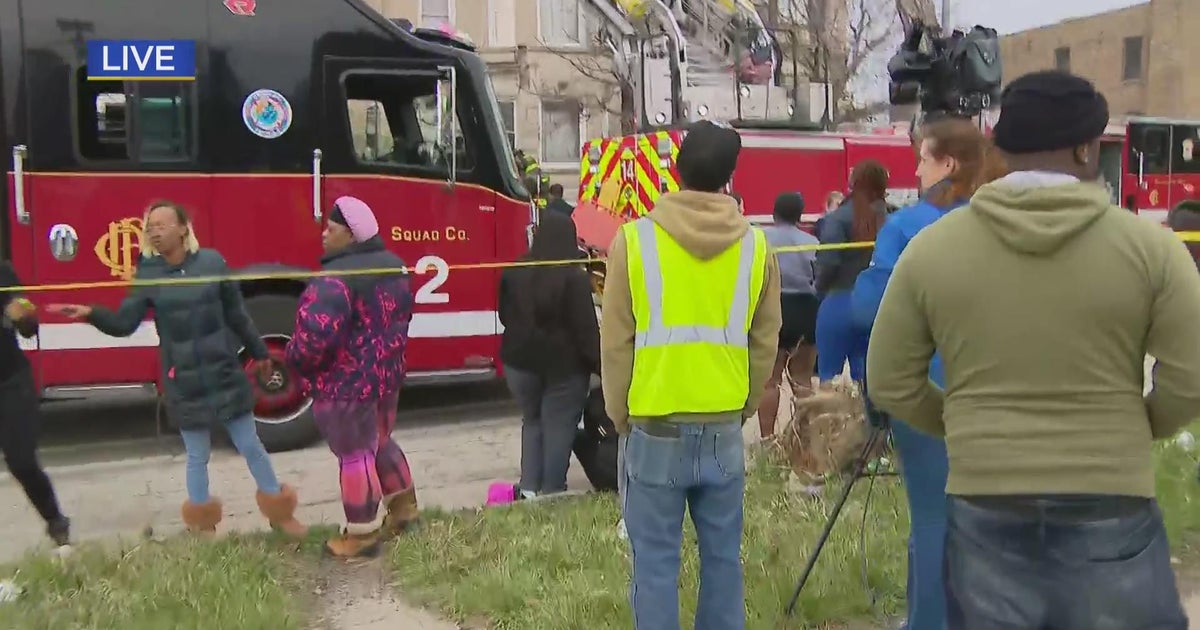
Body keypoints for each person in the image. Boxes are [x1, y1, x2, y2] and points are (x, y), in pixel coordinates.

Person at [867, 70, 1200, 630]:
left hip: (984, 498)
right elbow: (1191, 375)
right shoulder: (1152, 250)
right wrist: (1137, 426)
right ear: (1086, 146)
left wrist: (965, 425)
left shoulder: (932, 250)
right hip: (1110, 496)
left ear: (1001, 147)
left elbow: (889, 378)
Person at [601, 120, 781, 630]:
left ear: (676, 169)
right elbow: (764, 339)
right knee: (723, 560)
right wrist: (743, 403)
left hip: (655, 423)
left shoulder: (633, 242)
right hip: (723, 423)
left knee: (655, 564)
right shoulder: (756, 247)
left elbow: (616, 341)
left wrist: (620, 414)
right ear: (730, 176)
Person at [49, 201, 305, 539]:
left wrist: (261, 355)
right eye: (149, 227)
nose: (154, 232)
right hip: (184, 380)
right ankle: (202, 528)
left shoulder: (213, 263)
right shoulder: (149, 275)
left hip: (223, 372)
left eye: (161, 225)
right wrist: (89, 313)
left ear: (183, 228)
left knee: (250, 445)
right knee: (197, 455)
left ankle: (280, 515)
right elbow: (125, 323)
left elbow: (238, 316)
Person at [853, 117, 991, 630]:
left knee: (934, 517)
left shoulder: (909, 226)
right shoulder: (998, 219)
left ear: (947, 164)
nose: (913, 169)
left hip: (929, 387)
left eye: (922, 158)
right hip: (998, 389)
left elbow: (869, 310)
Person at [284, 196, 416, 558]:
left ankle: (360, 534)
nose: (324, 234)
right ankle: (404, 510)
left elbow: (314, 338)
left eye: (332, 228)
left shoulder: (334, 280)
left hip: (345, 386)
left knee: (355, 456)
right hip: (385, 377)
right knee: (382, 442)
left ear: (353, 235)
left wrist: (294, 359)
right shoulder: (395, 267)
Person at [499, 210, 599, 498]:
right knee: (559, 425)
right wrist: (600, 365)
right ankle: (553, 491)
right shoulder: (574, 279)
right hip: (564, 368)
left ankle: (529, 487)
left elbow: (505, 314)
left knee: (531, 421)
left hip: (519, 363)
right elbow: (585, 331)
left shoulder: (515, 270)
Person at [0, 264, 71, 548]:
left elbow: (29, 326)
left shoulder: (3, 274)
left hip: (11, 383)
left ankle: (55, 520)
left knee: (22, 461)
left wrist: (22, 316)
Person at [814, 161, 888, 382]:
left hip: (838, 302)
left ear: (852, 183)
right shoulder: (893, 218)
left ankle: (831, 418)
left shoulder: (838, 218)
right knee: (869, 378)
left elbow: (828, 263)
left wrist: (819, 291)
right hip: (878, 305)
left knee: (828, 378)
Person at [757, 192, 820, 438]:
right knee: (802, 379)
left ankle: (767, 439)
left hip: (775, 307)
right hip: (806, 309)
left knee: (770, 380)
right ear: (800, 216)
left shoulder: (762, 239)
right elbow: (818, 277)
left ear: (774, 213)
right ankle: (805, 439)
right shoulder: (812, 241)